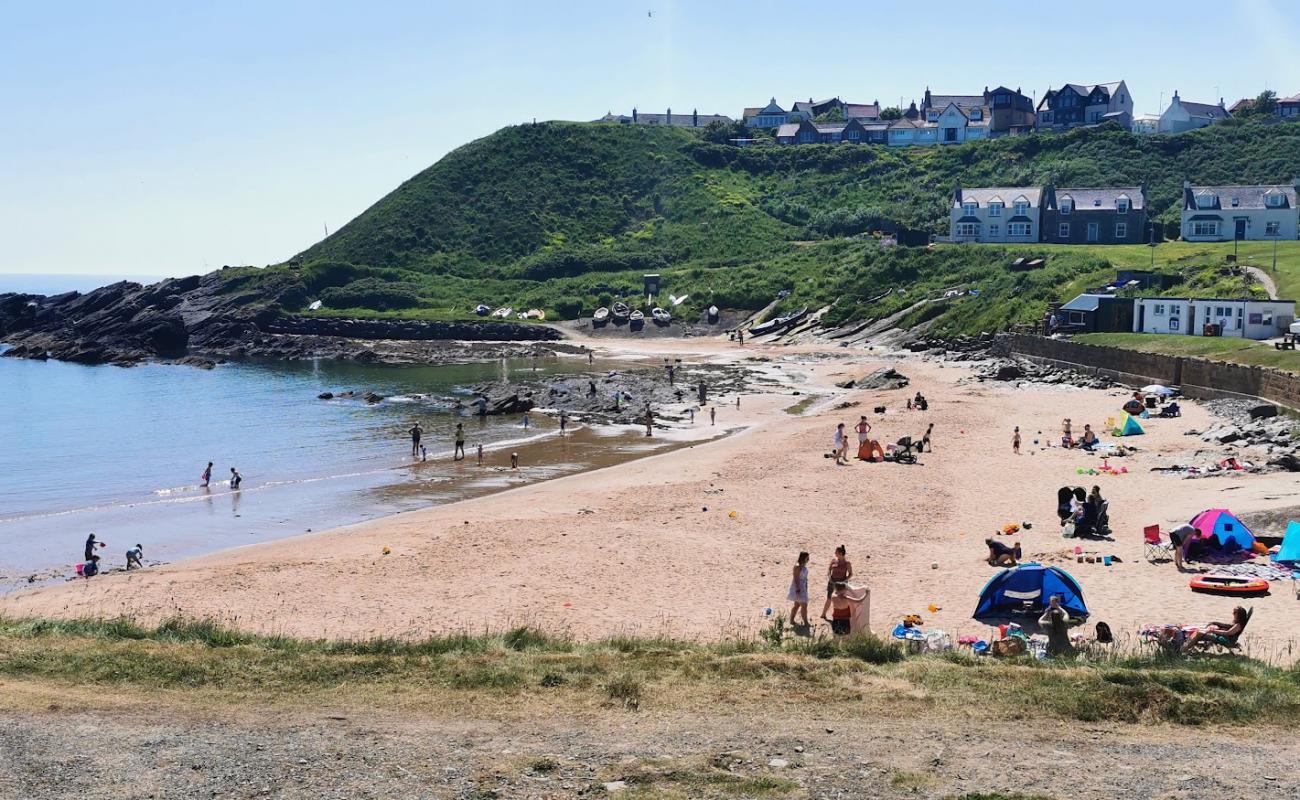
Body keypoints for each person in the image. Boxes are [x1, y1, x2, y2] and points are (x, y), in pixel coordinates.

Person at [1182, 606, 1249, 654]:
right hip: (1222, 637)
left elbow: (1228, 633)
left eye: (1235, 612)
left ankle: (1184, 649)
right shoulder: (1236, 622)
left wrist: (1213, 631)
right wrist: (1215, 622)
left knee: (1199, 633)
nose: (1233, 613)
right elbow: (1226, 625)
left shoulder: (1238, 625)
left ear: (1239, 615)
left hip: (1225, 640)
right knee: (1200, 631)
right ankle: (1189, 646)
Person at [820, 546, 852, 621]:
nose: (835, 553)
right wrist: (829, 577)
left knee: (841, 599)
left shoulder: (847, 563)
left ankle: (844, 616)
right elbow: (829, 570)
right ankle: (823, 614)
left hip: (841, 584)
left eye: (836, 552)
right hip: (832, 582)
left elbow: (850, 574)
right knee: (829, 598)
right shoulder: (834, 560)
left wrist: (844, 581)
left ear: (840, 553)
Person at [787, 551, 811, 628]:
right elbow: (796, 578)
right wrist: (797, 590)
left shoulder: (803, 566)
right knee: (804, 605)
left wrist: (806, 588)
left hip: (803, 587)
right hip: (798, 587)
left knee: (797, 605)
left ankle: (791, 620)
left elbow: (805, 579)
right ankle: (806, 623)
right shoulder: (797, 566)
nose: (808, 559)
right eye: (807, 558)